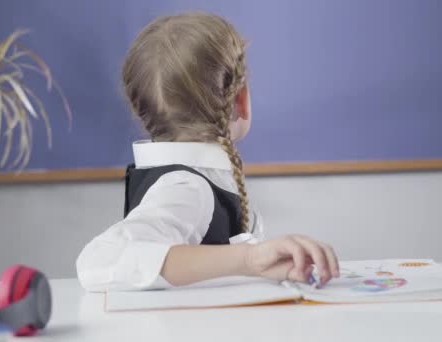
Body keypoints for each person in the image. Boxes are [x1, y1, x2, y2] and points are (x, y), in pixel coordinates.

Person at [76, 12, 339, 291]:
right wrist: (248, 259)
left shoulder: (202, 180)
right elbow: (98, 260)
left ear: (140, 111)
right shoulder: (187, 187)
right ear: (241, 100)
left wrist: (259, 267)